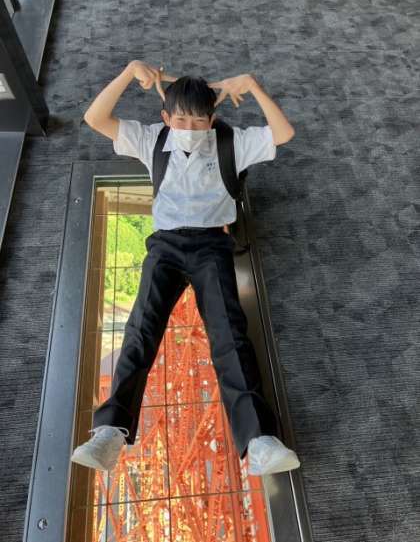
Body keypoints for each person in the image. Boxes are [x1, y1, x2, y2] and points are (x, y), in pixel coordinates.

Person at [70, 60, 300, 476]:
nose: (190, 128)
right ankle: (110, 431)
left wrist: (251, 83)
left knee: (230, 334)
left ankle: (259, 440)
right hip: (167, 245)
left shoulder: (231, 141)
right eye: (180, 120)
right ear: (165, 117)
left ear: (211, 120)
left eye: (199, 121)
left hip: (212, 245)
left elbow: (283, 133)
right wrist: (130, 71)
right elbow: (95, 118)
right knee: (141, 329)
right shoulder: (152, 139)